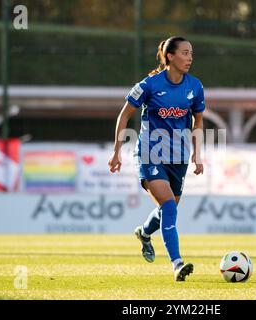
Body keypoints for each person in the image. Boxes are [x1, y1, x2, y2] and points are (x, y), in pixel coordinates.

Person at [108, 36, 205, 281]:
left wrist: (197, 153)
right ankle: (177, 264)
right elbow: (124, 115)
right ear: (170, 56)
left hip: (179, 158)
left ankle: (144, 233)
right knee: (169, 207)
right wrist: (117, 151)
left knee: (166, 210)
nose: (190, 57)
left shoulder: (195, 87)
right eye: (185, 53)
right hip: (150, 154)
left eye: (191, 53)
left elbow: (198, 121)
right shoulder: (149, 85)